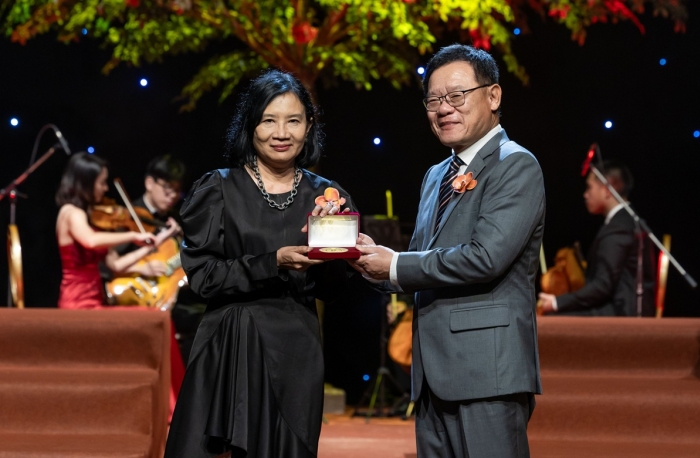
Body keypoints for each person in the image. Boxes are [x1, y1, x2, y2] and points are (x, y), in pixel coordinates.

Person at [352, 44, 545, 458]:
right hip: (431, 377)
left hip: (487, 374)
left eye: (456, 96)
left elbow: (485, 257)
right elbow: (418, 264)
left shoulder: (516, 165)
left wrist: (396, 264)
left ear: (493, 96)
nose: (443, 109)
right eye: (433, 100)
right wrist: (364, 258)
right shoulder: (436, 175)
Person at [164, 69, 356, 458]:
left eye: (293, 121)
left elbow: (334, 289)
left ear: (308, 126)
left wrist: (336, 247)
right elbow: (203, 278)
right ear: (251, 125)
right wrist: (273, 262)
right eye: (269, 120)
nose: (281, 133)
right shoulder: (218, 188)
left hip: (295, 353)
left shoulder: (328, 196)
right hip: (228, 347)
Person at [55, 152, 179, 309]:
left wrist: (156, 241)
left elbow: (116, 265)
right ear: (87, 183)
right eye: (102, 183)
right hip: (77, 302)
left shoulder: (89, 218)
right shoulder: (71, 212)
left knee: (154, 315)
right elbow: (90, 241)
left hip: (96, 299)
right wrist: (132, 235)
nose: (106, 188)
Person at [538, 160, 656, 316]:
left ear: (607, 189)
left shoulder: (620, 227)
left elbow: (603, 286)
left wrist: (557, 302)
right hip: (616, 308)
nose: (585, 194)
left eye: (589, 187)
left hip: (620, 313)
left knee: (550, 319)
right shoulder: (623, 222)